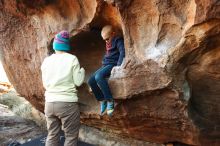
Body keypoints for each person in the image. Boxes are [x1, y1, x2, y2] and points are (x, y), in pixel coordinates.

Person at [41, 30, 85, 146]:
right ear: (66, 46)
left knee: (52, 134)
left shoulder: (46, 61)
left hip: (49, 103)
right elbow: (78, 82)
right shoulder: (72, 59)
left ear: (55, 46)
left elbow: (45, 84)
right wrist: (82, 71)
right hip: (67, 104)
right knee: (70, 136)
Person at [88, 25, 125, 116]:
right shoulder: (108, 41)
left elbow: (122, 52)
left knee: (99, 77)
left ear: (113, 34)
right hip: (106, 64)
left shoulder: (118, 40)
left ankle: (110, 100)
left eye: (107, 39)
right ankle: (102, 99)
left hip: (113, 64)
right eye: (104, 39)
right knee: (91, 80)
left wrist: (118, 66)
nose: (106, 41)